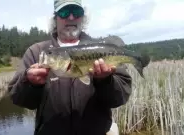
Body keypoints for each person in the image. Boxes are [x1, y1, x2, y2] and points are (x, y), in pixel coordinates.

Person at [7, 0, 132, 135]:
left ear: (83, 17)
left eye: (76, 12)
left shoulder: (102, 49)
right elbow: (18, 99)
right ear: (55, 18)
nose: (71, 17)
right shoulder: (37, 52)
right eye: (64, 12)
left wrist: (105, 81)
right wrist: (30, 83)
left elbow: (120, 97)